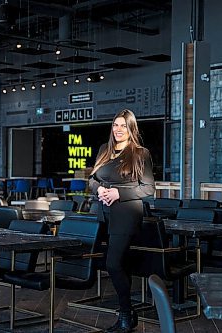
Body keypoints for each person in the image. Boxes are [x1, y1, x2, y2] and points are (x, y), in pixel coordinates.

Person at [89, 109, 155, 333]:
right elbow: (92, 179)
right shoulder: (104, 150)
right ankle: (129, 313)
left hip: (126, 214)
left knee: (113, 264)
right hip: (104, 215)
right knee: (120, 264)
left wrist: (118, 193)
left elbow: (148, 188)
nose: (118, 129)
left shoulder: (140, 153)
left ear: (131, 129)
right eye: (115, 125)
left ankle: (126, 315)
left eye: (123, 126)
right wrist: (99, 190)